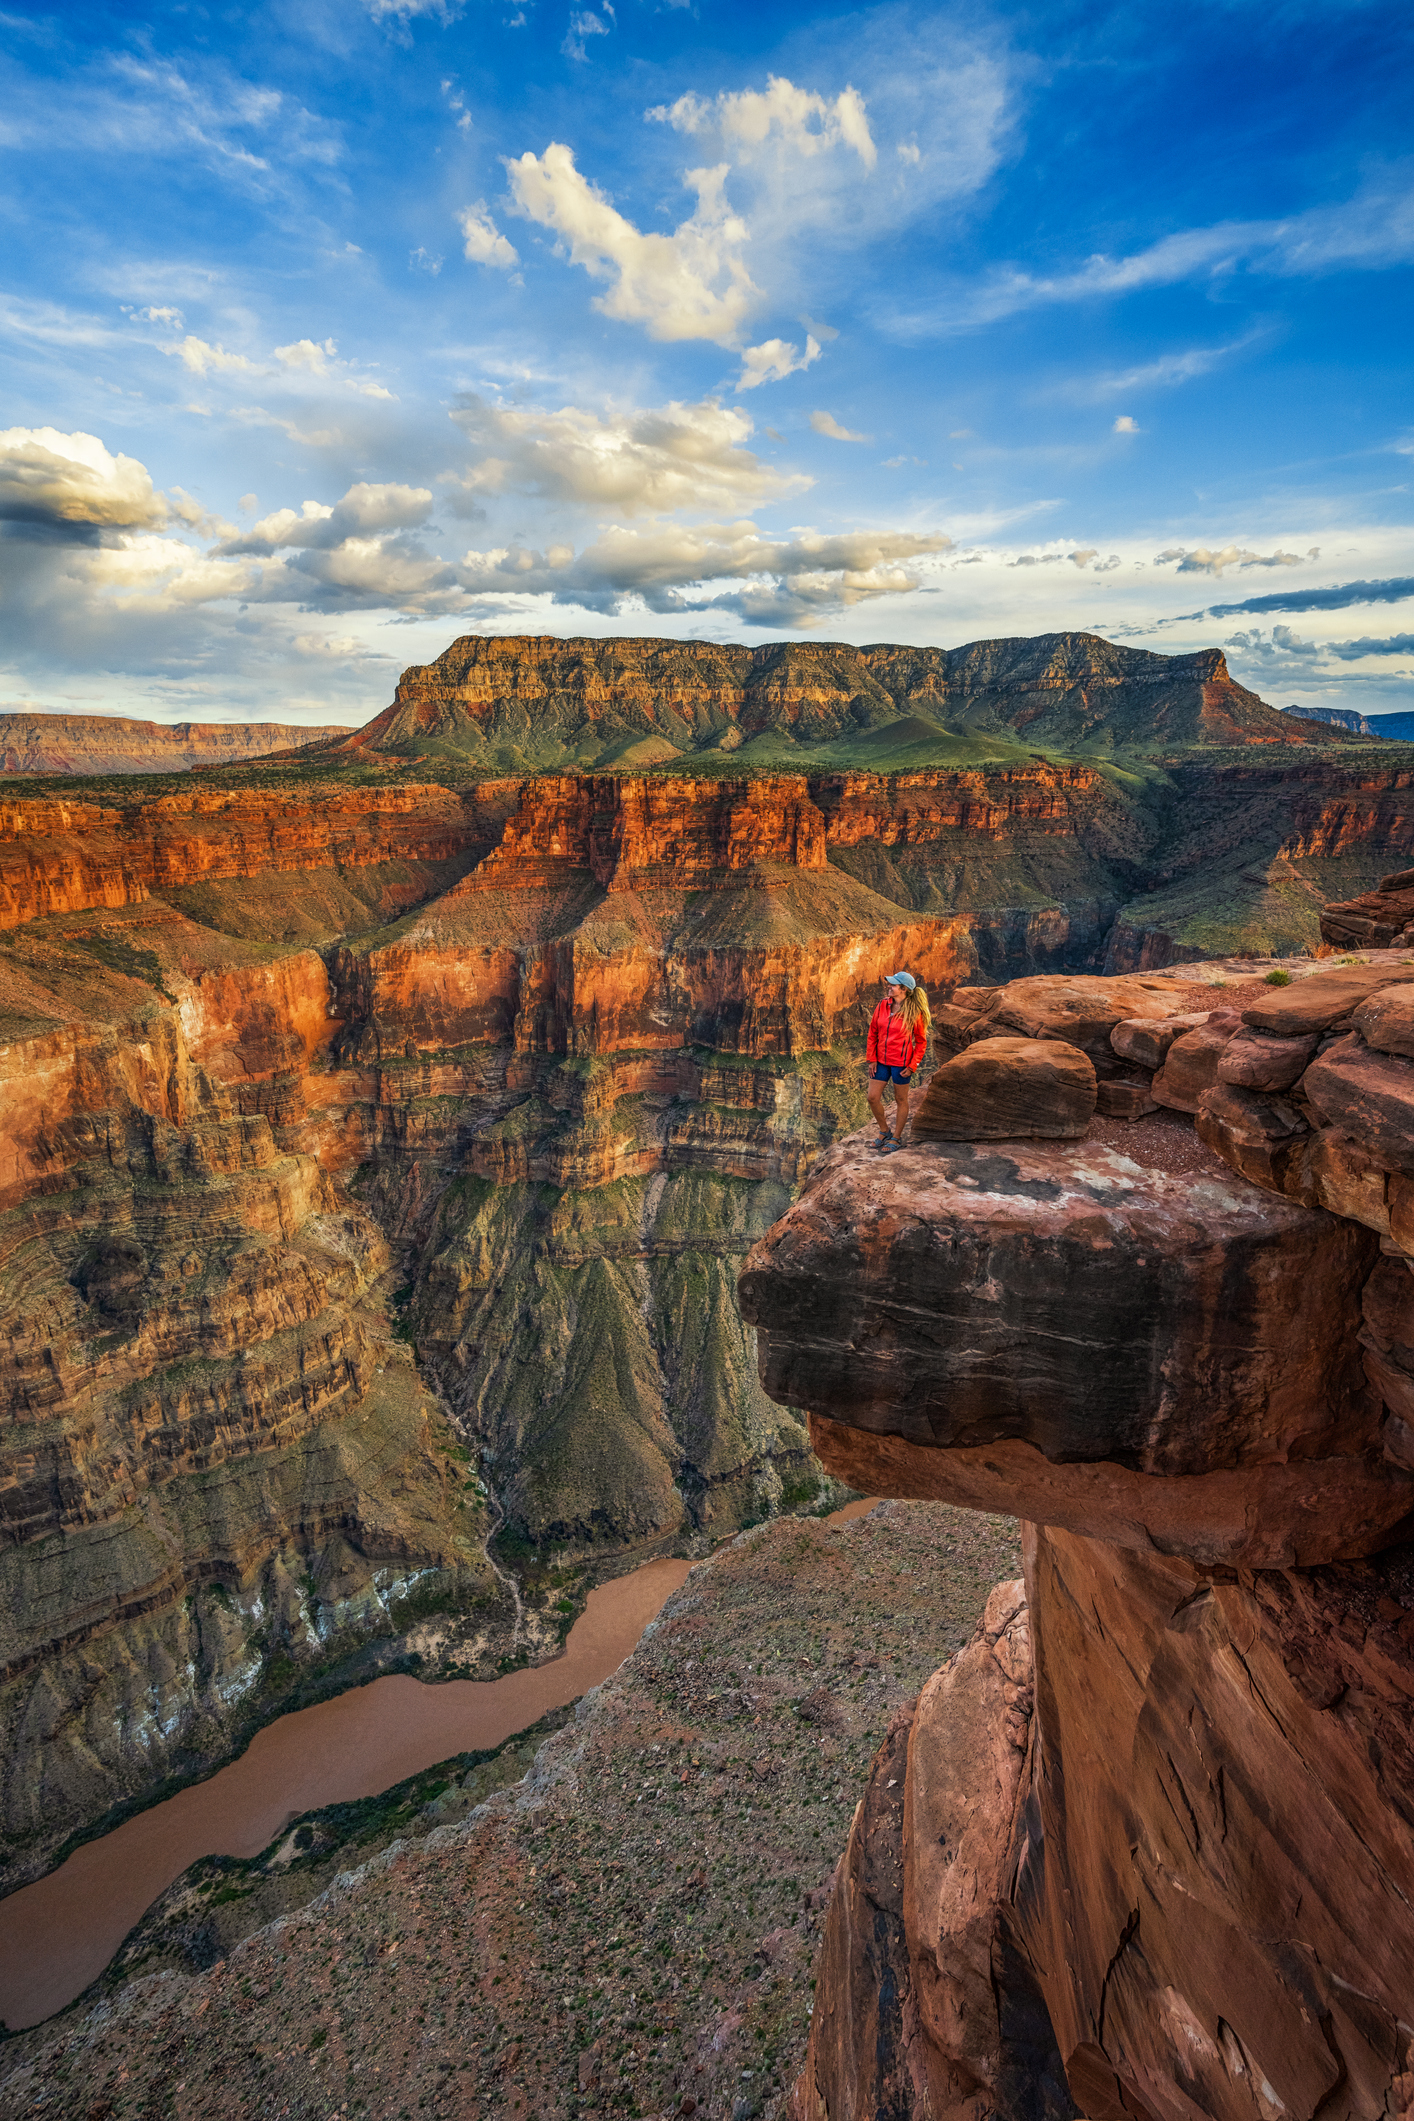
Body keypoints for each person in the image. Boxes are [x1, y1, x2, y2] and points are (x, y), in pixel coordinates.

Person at [866, 969, 931, 1151]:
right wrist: (871, 1059)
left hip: (901, 1064)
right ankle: (884, 1130)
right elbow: (873, 1032)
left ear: (903, 989)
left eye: (893, 985)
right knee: (872, 1097)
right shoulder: (882, 1006)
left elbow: (921, 1042)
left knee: (900, 1099)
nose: (889, 986)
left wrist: (912, 1066)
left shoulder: (914, 1013)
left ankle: (896, 1137)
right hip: (880, 1061)